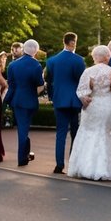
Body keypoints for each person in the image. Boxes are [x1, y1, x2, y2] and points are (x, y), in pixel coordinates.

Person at [66, 45, 111, 181]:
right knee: (104, 132)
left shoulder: (88, 71)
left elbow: (81, 91)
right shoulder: (110, 71)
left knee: (87, 131)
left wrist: (88, 96)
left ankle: (84, 167)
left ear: (94, 57)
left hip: (92, 105)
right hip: (106, 104)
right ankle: (103, 168)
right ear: (107, 56)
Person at [45, 32, 86, 175]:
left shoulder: (52, 61)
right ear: (72, 42)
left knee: (60, 133)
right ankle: (73, 164)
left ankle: (59, 165)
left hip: (59, 99)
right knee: (75, 133)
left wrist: (51, 97)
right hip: (74, 101)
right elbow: (82, 82)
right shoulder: (78, 60)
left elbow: (49, 82)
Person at [4, 39, 44, 166]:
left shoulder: (13, 65)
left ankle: (25, 154)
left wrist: (5, 102)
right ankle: (22, 157)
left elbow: (11, 86)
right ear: (36, 51)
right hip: (30, 100)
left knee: (23, 129)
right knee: (23, 130)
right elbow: (40, 83)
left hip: (17, 100)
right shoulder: (36, 65)